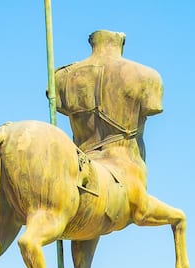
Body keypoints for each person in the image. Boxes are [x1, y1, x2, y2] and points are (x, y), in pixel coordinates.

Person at [55, 29, 164, 225]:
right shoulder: (147, 76)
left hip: (82, 166)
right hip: (123, 167)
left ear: (91, 41)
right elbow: (153, 106)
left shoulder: (62, 77)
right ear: (122, 41)